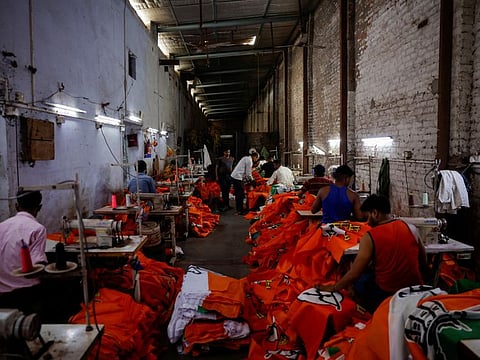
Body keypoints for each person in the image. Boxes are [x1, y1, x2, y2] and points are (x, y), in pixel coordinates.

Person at [315, 194, 427, 312]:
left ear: (375, 213)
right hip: (414, 288)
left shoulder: (370, 236)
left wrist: (334, 287)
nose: (367, 222)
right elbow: (423, 262)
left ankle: (367, 310)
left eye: (368, 217)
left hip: (386, 292)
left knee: (358, 281)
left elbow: (354, 274)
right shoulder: (411, 228)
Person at [0, 190, 48, 316]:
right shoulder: (37, 229)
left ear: (16, 206)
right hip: (25, 293)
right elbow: (38, 264)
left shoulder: (1, 226)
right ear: (40, 208)